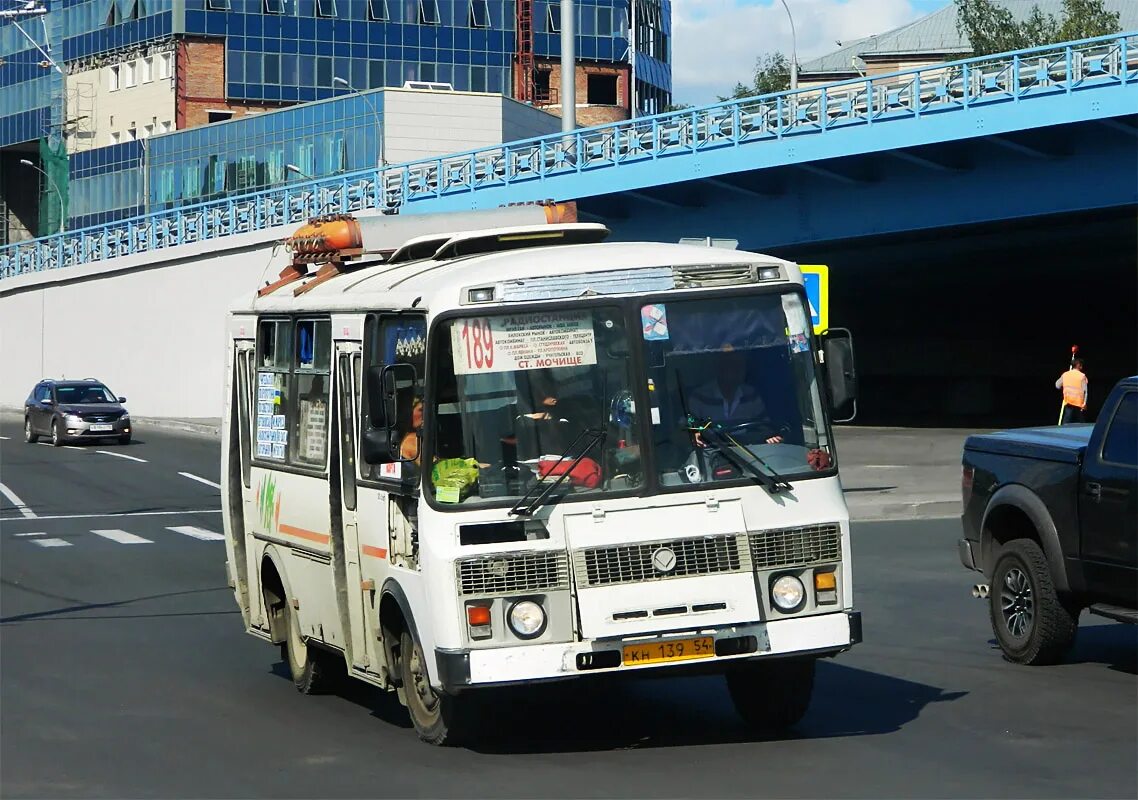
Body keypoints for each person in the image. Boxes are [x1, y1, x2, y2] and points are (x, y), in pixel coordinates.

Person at [686, 348, 782, 445]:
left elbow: (765, 428)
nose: (737, 370)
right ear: (719, 368)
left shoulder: (751, 396)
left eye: (740, 365)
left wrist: (769, 437)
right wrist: (693, 435)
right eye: (731, 365)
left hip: (749, 455)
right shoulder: (700, 397)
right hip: (711, 455)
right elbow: (686, 430)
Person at [1056, 358, 1088, 424]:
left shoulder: (1065, 374)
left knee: (1066, 421)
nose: (1082, 367)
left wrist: (1063, 386)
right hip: (1078, 404)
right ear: (1078, 365)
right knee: (1081, 423)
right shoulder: (1082, 376)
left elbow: (1057, 385)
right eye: (1081, 365)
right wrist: (1084, 403)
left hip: (1069, 402)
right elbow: (1085, 392)